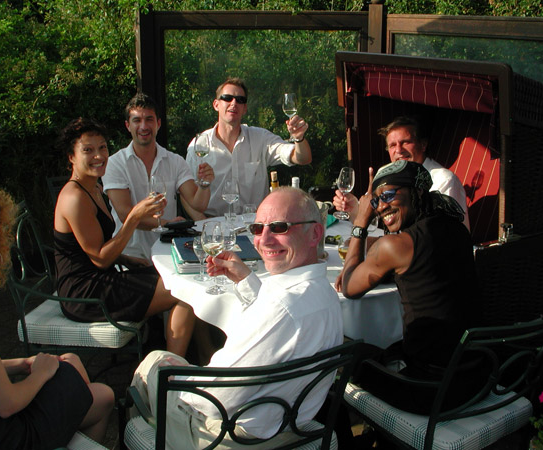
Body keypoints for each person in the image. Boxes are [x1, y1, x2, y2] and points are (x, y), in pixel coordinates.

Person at [131, 187, 343, 449]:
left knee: (154, 363)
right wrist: (246, 280)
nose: (264, 240)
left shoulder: (281, 308)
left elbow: (213, 399)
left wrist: (181, 379)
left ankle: (142, 434)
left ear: (315, 233)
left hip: (228, 439)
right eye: (257, 229)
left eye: (280, 227)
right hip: (291, 426)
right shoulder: (325, 295)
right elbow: (277, 326)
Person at [337, 160, 481, 415]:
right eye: (375, 201)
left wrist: (360, 222)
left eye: (388, 195)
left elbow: (349, 287)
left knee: (340, 352)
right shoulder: (456, 228)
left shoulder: (397, 246)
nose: (381, 206)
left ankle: (346, 430)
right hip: (476, 374)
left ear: (417, 192)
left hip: (431, 390)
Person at [0, 181, 114, 448]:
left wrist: (21, 363)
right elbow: (7, 404)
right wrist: (40, 374)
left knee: (97, 390)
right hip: (5, 436)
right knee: (91, 385)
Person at [54, 117, 197, 357]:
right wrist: (133, 217)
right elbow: (100, 259)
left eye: (102, 148)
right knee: (184, 290)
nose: (99, 156)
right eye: (88, 150)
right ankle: (172, 370)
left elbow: (89, 248)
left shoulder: (94, 188)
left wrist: (126, 260)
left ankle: (195, 357)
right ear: (71, 157)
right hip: (84, 294)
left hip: (101, 278)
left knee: (183, 276)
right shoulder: (74, 197)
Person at [102, 93, 214, 261]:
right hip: (130, 257)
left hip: (169, 253)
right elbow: (125, 214)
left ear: (158, 124)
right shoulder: (115, 163)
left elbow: (198, 204)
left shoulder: (175, 161)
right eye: (137, 120)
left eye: (149, 119)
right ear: (127, 125)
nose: (143, 126)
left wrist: (205, 184)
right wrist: (169, 225)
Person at [184, 77, 312, 217]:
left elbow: (302, 158)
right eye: (227, 98)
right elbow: (185, 194)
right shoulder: (199, 145)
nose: (234, 103)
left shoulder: (260, 138)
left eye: (240, 100)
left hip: (254, 224)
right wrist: (203, 223)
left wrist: (299, 138)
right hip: (214, 224)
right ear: (216, 104)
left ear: (245, 108)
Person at [334, 115, 470, 229]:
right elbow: (369, 218)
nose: (398, 150)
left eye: (405, 142)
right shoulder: (385, 174)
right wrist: (353, 208)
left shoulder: (444, 179)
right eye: (392, 145)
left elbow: (443, 235)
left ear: (423, 145)